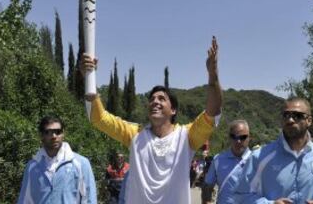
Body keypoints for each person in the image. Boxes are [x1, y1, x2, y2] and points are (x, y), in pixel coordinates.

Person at [82, 36, 222, 204]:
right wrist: (89, 78)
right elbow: (99, 118)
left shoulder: (187, 136)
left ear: (173, 110)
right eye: (152, 99)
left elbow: (212, 113)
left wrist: (213, 76)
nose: (155, 101)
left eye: (162, 99)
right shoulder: (134, 134)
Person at [236, 97, 313, 204]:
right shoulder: (259, 157)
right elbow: (241, 195)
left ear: (309, 120)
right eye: (286, 115)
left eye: (297, 115)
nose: (290, 120)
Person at [17, 115, 97, 204]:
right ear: (41, 135)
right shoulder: (32, 166)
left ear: (63, 134)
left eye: (58, 132)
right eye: (48, 132)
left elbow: (90, 199)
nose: (54, 136)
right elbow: (24, 200)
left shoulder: (81, 163)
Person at [204, 120, 251, 204]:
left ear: (249, 138)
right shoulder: (218, 159)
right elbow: (208, 186)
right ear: (229, 137)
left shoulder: (257, 161)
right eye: (234, 137)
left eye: (242, 137)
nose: (238, 141)